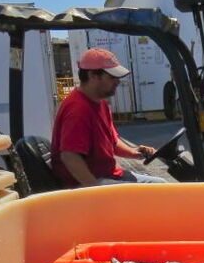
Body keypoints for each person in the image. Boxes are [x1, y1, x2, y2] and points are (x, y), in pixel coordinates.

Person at [51, 48, 166, 186]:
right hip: (91, 182)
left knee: (162, 186)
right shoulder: (78, 110)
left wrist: (134, 152)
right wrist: (96, 191)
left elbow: (112, 141)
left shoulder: (100, 102)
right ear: (93, 75)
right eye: (112, 77)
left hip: (109, 175)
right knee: (161, 193)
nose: (118, 82)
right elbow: (69, 156)